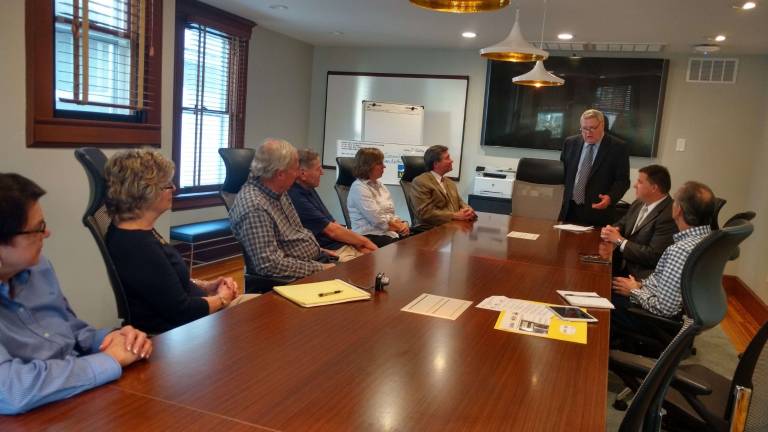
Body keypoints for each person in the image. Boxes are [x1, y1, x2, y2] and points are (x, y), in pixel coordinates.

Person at [0, 173, 152, 414]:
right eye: (38, 229)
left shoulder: (39, 267)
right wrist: (109, 360)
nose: (47, 233)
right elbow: (11, 390)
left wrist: (114, 339)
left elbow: (72, 330)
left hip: (76, 397)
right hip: (32, 416)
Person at [104, 150, 255, 335]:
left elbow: (165, 283)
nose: (174, 189)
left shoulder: (138, 230)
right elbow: (183, 312)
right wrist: (222, 298)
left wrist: (207, 286)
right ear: (145, 192)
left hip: (198, 318)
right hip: (184, 334)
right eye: (167, 184)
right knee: (270, 312)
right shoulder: (137, 246)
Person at [610, 181, 716, 344]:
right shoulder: (709, 240)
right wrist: (639, 285)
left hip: (654, 321)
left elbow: (665, 308)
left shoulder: (680, 250)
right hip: (660, 303)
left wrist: (634, 291)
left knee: (600, 305)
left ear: (678, 210)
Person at [230, 139, 336, 281]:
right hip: (292, 279)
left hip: (314, 261)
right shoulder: (255, 208)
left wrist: (320, 250)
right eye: (296, 169)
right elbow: (270, 264)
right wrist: (320, 269)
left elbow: (297, 233)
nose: (298, 174)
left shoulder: (280, 191)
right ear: (280, 174)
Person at [288, 149, 377, 261]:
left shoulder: (309, 188)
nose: (322, 172)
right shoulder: (296, 196)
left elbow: (333, 223)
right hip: (332, 251)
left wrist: (357, 244)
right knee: (371, 264)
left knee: (376, 261)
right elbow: (332, 231)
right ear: (302, 173)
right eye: (318, 169)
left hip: (341, 245)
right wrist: (366, 242)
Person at [600, 165, 677, 279]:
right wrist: (610, 231)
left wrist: (619, 240)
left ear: (654, 188)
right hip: (618, 266)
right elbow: (622, 223)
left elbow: (653, 256)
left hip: (638, 279)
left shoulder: (669, 215)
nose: (635, 185)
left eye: (640, 182)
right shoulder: (639, 203)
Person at [559, 109, 630, 227]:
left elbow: (622, 180)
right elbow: (563, 173)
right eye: (584, 129)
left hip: (598, 212)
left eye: (592, 128)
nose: (588, 132)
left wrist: (610, 198)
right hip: (569, 209)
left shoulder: (618, 147)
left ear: (602, 125)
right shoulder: (570, 143)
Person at [347, 148, 410, 247]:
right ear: (367, 166)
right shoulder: (358, 187)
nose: (384, 166)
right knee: (407, 249)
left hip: (387, 234)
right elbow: (378, 220)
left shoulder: (381, 186)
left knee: (418, 241)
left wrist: (403, 223)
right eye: (379, 163)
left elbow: (390, 213)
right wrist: (400, 227)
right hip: (369, 236)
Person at [411, 145, 476, 228]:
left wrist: (468, 210)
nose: (451, 161)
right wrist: (454, 215)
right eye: (447, 158)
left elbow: (460, 203)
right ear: (436, 163)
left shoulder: (450, 183)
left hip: (452, 228)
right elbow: (425, 213)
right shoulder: (420, 182)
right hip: (432, 231)